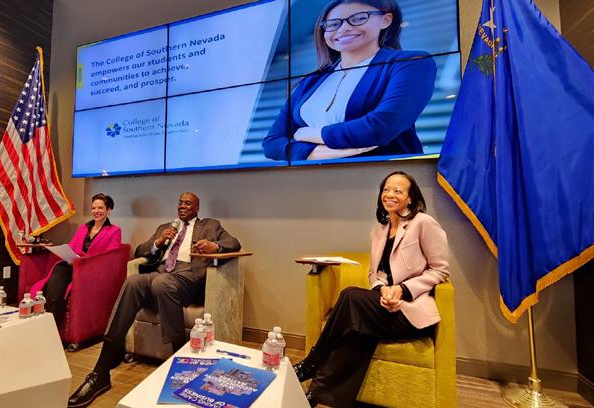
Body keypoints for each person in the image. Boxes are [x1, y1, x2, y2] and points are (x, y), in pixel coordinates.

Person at [68, 192, 241, 408]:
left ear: (197, 208)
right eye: (180, 202)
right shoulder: (165, 227)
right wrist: (158, 243)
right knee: (133, 281)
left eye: (188, 203)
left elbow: (234, 243)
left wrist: (215, 247)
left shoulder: (210, 225)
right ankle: (101, 371)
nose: (182, 206)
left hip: (188, 277)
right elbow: (140, 252)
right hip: (161, 273)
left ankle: (180, 361)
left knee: (162, 283)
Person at [293, 171, 449, 407]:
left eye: (398, 191)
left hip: (410, 314)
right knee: (357, 329)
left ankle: (312, 363)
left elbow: (440, 270)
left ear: (410, 198)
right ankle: (316, 395)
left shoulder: (423, 223)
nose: (390, 194)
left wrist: (402, 290)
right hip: (385, 307)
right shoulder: (378, 230)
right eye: (386, 189)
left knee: (350, 296)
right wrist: (382, 290)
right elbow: (373, 274)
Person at [262, 0, 436, 162]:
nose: (344, 28)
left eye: (358, 18)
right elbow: (271, 143)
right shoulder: (312, 81)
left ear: (386, 20)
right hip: (311, 177)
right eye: (333, 24)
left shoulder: (410, 63)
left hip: (380, 177)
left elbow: (380, 127)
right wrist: (313, 152)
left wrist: (308, 134)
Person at [29, 193, 121, 327]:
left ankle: (50, 326)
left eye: (100, 208)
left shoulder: (114, 231)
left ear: (108, 210)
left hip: (90, 270)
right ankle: (46, 322)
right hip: (72, 264)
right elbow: (72, 246)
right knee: (58, 271)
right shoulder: (83, 228)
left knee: (60, 276)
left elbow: (110, 257)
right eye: (93, 208)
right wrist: (66, 253)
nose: (96, 211)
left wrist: (84, 261)